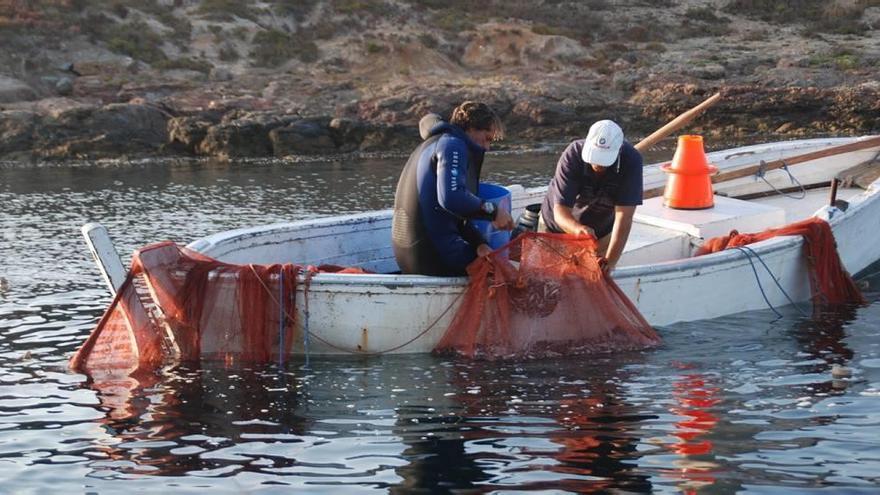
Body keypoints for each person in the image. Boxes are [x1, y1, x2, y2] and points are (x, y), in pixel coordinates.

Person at [392, 102, 514, 276]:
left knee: (487, 253)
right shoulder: (453, 145)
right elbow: (452, 199)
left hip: (407, 257)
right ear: (471, 128)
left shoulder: (436, 142)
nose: (487, 147)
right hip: (431, 258)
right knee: (505, 274)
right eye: (487, 138)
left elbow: (452, 213)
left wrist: (478, 243)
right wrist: (494, 212)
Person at [539, 120, 643, 273]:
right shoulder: (573, 154)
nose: (597, 165)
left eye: (604, 161)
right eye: (594, 158)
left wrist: (610, 262)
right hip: (555, 229)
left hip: (600, 232)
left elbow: (624, 218)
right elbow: (560, 212)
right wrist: (578, 229)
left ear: (619, 150)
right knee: (548, 278)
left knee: (593, 279)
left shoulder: (631, 161)